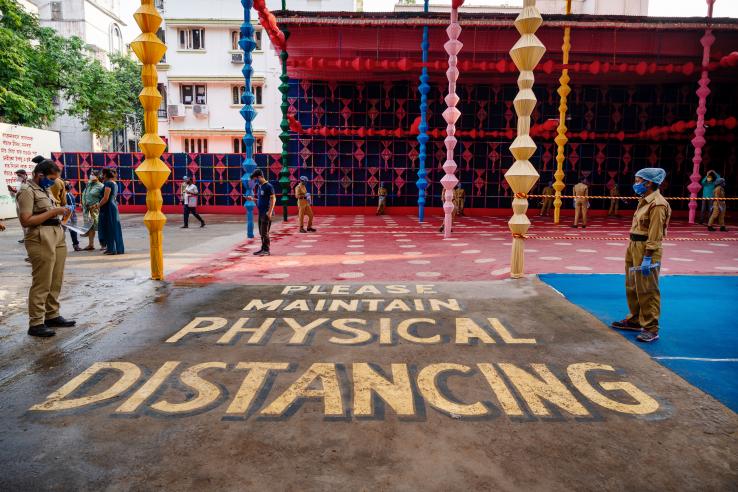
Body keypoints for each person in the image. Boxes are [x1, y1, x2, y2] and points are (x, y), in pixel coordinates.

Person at [16, 158, 76, 337]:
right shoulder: (27, 191)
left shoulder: (45, 189)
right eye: (50, 178)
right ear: (39, 175)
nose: (53, 182)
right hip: (40, 236)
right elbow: (25, 220)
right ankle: (36, 323)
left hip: (56, 232)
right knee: (42, 280)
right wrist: (54, 212)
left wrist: (61, 211)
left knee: (56, 278)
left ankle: (52, 315)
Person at [611, 167, 672, 343]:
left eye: (639, 181)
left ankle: (651, 328)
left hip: (647, 249)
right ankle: (635, 319)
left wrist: (648, 257)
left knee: (647, 288)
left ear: (649, 182)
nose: (636, 184)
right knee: (632, 285)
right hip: (634, 245)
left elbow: (655, 234)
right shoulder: (644, 200)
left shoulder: (658, 204)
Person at [247, 169, 275, 256]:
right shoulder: (260, 187)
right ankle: (263, 248)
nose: (255, 181)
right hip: (261, 212)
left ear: (259, 177)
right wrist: (252, 199)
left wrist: (270, 212)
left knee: (264, 232)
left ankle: (266, 250)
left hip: (266, 212)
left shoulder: (268, 186)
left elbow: (273, 199)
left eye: (255, 179)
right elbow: (262, 200)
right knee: (261, 232)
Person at [97, 168, 125, 255]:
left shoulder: (108, 183)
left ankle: (112, 249)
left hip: (108, 207)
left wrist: (97, 205)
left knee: (109, 227)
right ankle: (117, 248)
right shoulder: (114, 183)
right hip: (112, 206)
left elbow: (105, 198)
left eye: (103, 174)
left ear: (105, 175)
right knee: (114, 227)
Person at [80, 170, 104, 251]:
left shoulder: (101, 186)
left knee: (100, 227)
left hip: (96, 210)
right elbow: (85, 194)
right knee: (90, 227)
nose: (91, 175)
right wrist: (83, 204)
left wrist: (96, 205)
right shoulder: (89, 184)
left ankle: (103, 244)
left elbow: (103, 198)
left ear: (98, 176)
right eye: (91, 174)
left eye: (93, 174)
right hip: (87, 210)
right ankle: (91, 244)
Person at [9, 169, 29, 245]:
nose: (18, 177)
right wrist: (11, 191)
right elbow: (14, 196)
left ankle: (30, 238)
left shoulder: (30, 183)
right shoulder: (18, 184)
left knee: (28, 222)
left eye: (20, 175)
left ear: (24, 175)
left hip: (27, 206)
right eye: (17, 176)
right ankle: (25, 237)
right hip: (18, 205)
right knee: (22, 223)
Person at [64, 182, 81, 252]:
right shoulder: (65, 194)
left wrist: (76, 204)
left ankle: (76, 245)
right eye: (67, 184)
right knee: (62, 231)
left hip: (72, 214)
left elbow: (71, 203)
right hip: (67, 214)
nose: (70, 185)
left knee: (73, 230)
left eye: (69, 183)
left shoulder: (69, 194)